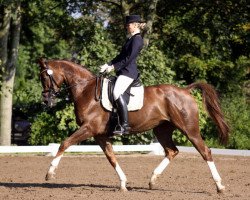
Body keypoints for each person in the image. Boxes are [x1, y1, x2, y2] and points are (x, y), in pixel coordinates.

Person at [100, 15, 145, 135]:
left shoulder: (137, 39)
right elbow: (120, 56)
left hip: (129, 72)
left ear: (135, 24)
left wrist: (114, 67)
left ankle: (124, 125)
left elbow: (129, 58)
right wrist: (108, 64)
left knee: (116, 92)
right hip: (123, 71)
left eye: (128, 25)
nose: (127, 27)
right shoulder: (130, 39)